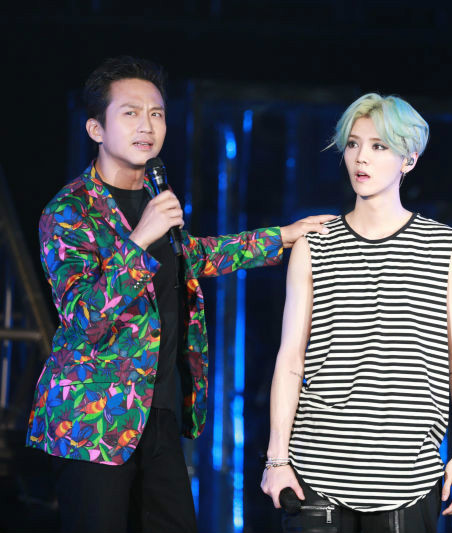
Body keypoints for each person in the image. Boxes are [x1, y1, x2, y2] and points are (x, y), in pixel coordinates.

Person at [25, 56, 332, 533]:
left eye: (157, 113)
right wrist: (138, 240)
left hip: (160, 412)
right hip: (92, 422)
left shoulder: (155, 193)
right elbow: (84, 317)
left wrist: (284, 237)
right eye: (130, 113)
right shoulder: (68, 212)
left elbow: (194, 257)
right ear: (95, 128)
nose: (147, 125)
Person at [260, 93, 452, 532]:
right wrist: (277, 459)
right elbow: (291, 359)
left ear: (408, 159)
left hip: (409, 477)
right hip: (319, 471)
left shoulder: (442, 246)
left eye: (379, 146)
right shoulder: (315, 244)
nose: (362, 157)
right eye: (353, 144)